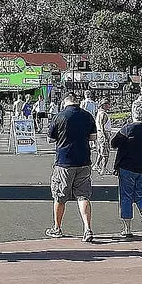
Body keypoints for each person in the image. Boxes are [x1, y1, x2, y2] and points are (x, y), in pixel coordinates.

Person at [45, 91, 97, 242]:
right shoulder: (87, 116)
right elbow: (93, 137)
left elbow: (49, 139)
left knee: (60, 196)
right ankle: (87, 228)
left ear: (64, 102)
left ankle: (57, 227)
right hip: (84, 160)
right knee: (83, 195)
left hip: (64, 161)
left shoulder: (59, 116)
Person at [111, 105, 142, 240]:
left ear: (133, 113)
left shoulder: (127, 128)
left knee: (126, 196)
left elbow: (114, 143)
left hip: (127, 167)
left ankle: (127, 228)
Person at [93, 98, 112, 175]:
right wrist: (105, 136)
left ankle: (96, 165)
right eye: (107, 104)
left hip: (101, 134)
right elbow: (102, 126)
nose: (109, 106)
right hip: (103, 134)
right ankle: (103, 169)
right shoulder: (103, 114)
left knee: (101, 152)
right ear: (103, 105)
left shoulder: (100, 113)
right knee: (105, 154)